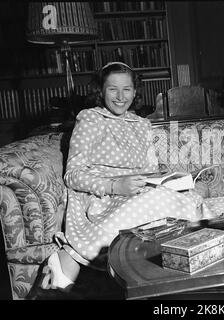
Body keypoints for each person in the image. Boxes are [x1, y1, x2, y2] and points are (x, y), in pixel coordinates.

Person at [42, 62, 204, 291]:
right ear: (101, 91)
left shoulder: (142, 124)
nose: (120, 96)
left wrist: (165, 180)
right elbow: (73, 175)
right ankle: (69, 260)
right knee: (155, 202)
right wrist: (116, 185)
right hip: (103, 196)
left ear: (135, 91)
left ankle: (179, 282)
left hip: (139, 191)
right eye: (112, 89)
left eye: (126, 89)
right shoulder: (89, 119)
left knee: (189, 199)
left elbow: (151, 169)